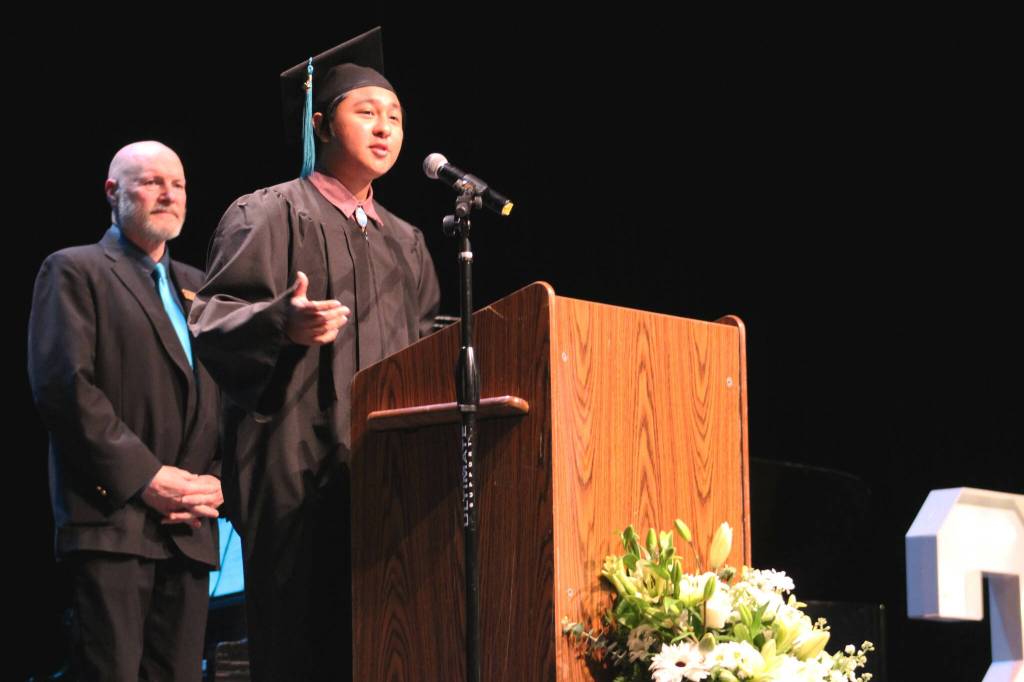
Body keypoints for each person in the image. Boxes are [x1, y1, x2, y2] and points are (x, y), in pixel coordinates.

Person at [188, 28, 441, 681]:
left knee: (388, 641)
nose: (385, 129)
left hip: (386, 469)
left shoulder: (408, 243)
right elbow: (209, 318)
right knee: (305, 645)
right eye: (367, 113)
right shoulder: (269, 213)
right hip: (294, 469)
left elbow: (422, 347)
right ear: (321, 124)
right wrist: (282, 322)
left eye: (395, 118)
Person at [28, 140, 223, 682]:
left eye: (178, 184)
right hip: (112, 522)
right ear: (113, 192)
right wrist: (149, 479)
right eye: (151, 182)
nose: (169, 194)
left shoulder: (201, 287)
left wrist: (216, 481)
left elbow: (228, 398)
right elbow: (66, 389)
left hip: (188, 530)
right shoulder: (75, 270)